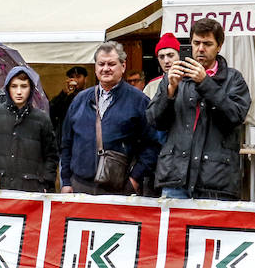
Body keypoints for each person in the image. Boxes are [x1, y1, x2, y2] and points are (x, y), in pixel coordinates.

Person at [147, 18, 251, 200]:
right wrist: (170, 91)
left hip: (216, 180)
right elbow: (154, 121)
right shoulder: (174, 76)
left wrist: (205, 82)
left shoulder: (234, 79)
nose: (200, 48)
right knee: (172, 229)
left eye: (207, 43)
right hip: (175, 178)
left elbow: (234, 117)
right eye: (196, 43)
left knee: (213, 229)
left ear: (219, 46)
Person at [60, 41, 159, 196]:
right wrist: (66, 181)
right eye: (101, 64)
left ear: (123, 66)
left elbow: (153, 144)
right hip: (79, 186)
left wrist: (135, 179)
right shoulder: (80, 100)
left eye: (111, 64)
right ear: (95, 67)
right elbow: (66, 142)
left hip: (119, 189)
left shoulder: (139, 101)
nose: (105, 69)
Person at [0, 66, 58, 192]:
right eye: (14, 86)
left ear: (30, 89)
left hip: (31, 190)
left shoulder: (42, 119)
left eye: (24, 86)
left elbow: (51, 155)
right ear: (8, 88)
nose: (19, 91)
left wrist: (46, 183)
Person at [48, 66, 88, 149]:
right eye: (72, 77)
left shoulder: (90, 97)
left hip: (84, 141)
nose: (75, 80)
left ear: (85, 79)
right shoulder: (66, 98)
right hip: (66, 142)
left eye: (78, 77)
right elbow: (52, 111)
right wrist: (63, 93)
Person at [143, 33, 180, 100]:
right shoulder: (151, 86)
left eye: (170, 55)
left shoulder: (192, 80)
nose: (166, 61)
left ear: (179, 56)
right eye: (161, 57)